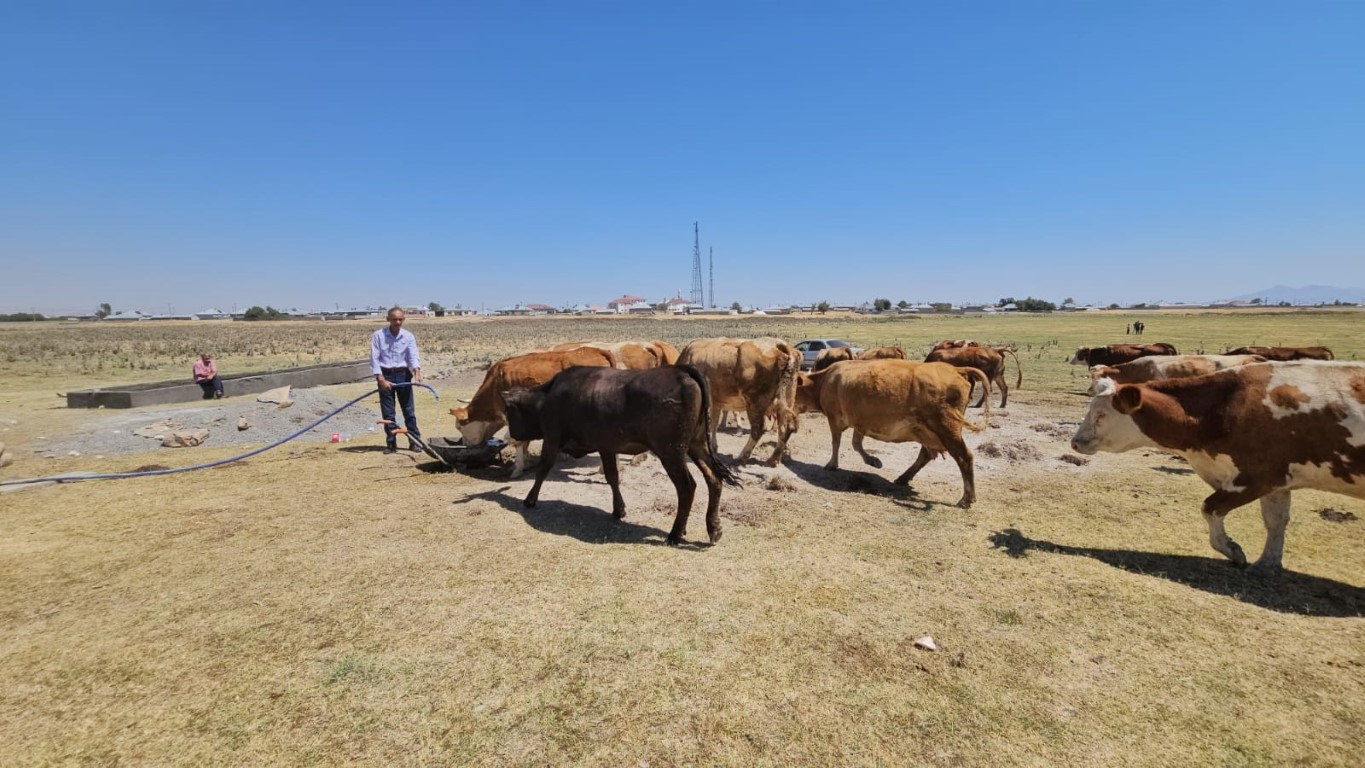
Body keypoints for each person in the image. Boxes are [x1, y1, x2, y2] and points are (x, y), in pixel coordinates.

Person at [370, 307, 422, 453]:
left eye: (400, 319)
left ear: (403, 320)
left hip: (403, 375)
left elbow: (413, 356)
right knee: (388, 413)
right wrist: (380, 379)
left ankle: (415, 441)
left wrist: (417, 371)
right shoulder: (378, 336)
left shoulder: (408, 336)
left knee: (409, 411)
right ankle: (391, 443)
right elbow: (374, 359)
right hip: (385, 375)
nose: (397, 322)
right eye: (394, 319)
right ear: (388, 319)